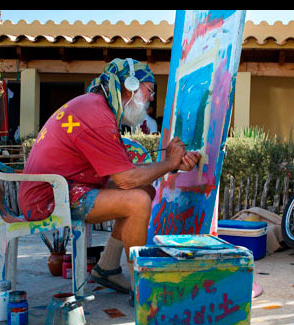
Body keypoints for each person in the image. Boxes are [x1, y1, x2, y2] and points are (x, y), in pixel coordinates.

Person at [18, 58, 201, 297]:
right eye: (149, 90)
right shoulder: (96, 114)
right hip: (48, 198)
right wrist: (169, 163)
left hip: (63, 188)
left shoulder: (96, 107)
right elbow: (126, 178)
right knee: (137, 201)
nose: (152, 98)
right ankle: (141, 287)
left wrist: (172, 165)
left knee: (145, 190)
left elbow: (129, 171)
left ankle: (107, 267)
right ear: (131, 86)